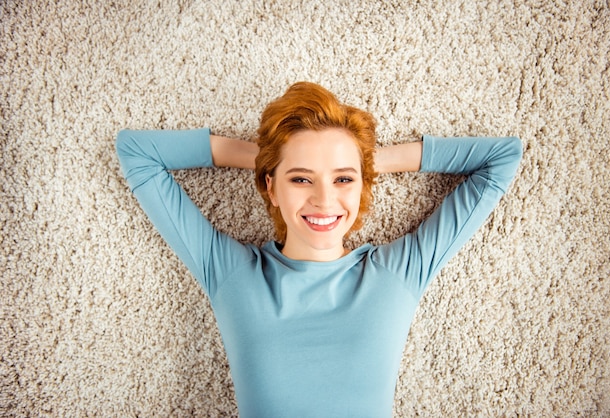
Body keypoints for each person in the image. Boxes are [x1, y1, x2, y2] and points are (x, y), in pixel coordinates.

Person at [116, 81, 523, 418]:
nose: (325, 201)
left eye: (343, 180)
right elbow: (137, 152)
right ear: (271, 188)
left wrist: (363, 162)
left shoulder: (398, 273)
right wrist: (270, 160)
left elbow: (501, 158)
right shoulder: (231, 273)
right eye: (301, 180)